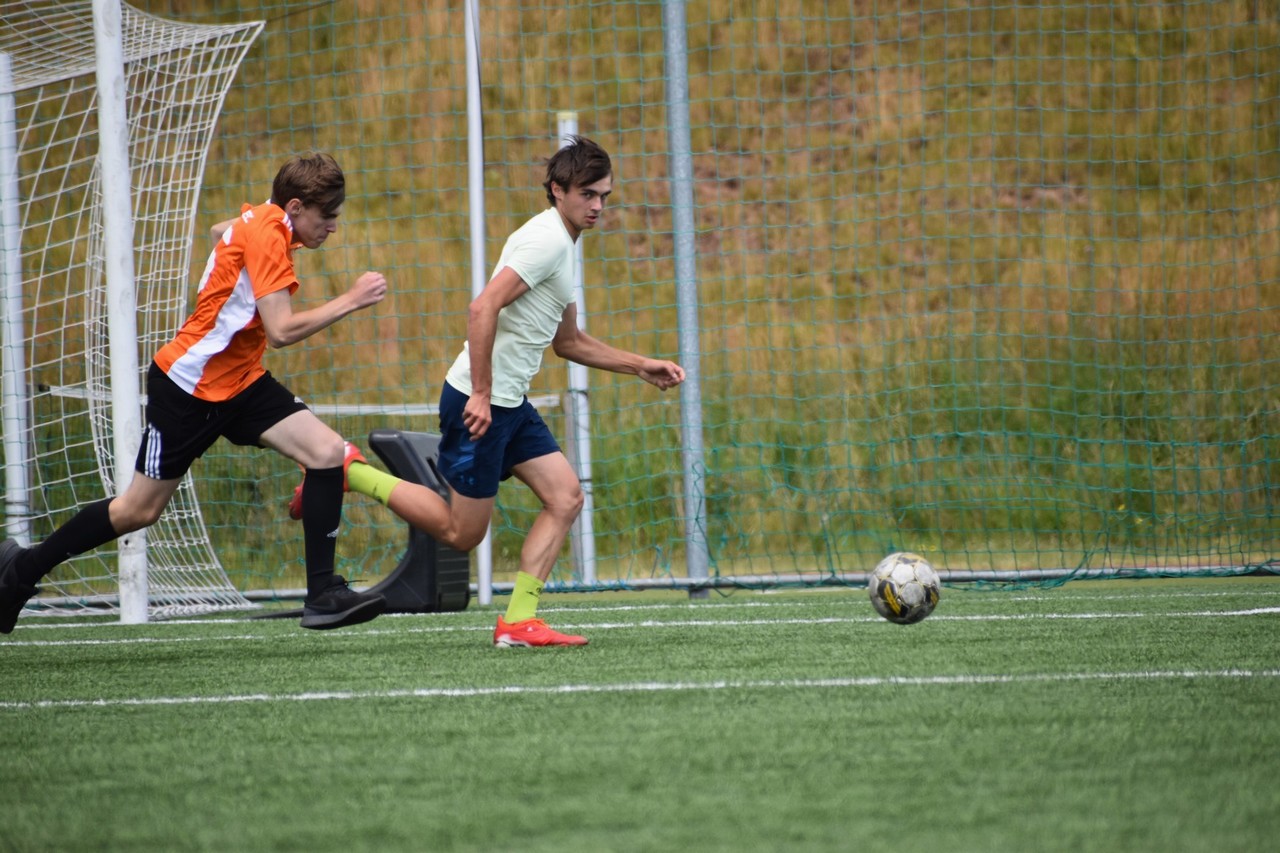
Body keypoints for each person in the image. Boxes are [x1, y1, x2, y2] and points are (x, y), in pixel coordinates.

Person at [290, 135, 685, 647]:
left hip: (510, 403)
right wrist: (480, 394)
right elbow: (483, 307)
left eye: (604, 196)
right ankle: (352, 472)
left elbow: (568, 342)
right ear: (557, 189)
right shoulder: (546, 242)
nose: (597, 206)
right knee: (462, 533)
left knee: (565, 497)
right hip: (482, 402)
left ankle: (519, 622)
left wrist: (640, 366)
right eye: (587, 194)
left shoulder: (562, 243)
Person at [0, 152, 389, 634]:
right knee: (138, 510)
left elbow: (220, 230)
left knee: (327, 452)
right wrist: (351, 299)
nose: (332, 226)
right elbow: (282, 330)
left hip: (241, 381)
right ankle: (21, 570)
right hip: (189, 388)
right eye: (326, 215)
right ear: (294, 207)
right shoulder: (268, 233)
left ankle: (323, 593)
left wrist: (241, 239)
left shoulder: (263, 220)